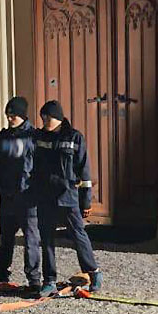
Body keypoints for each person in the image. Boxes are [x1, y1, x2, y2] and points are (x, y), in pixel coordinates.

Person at [31, 100, 104, 298]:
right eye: (42, 116)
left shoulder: (74, 137)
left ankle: (94, 273)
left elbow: (85, 173)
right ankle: (49, 281)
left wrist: (86, 201)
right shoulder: (38, 137)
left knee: (78, 236)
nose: (44, 120)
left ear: (58, 117)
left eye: (48, 116)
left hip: (67, 197)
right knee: (46, 240)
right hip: (46, 197)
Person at [0, 97, 41, 294]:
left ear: (23, 114)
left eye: (13, 115)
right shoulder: (3, 136)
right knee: (6, 239)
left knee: (31, 240)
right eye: (8, 115)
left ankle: (34, 280)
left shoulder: (34, 137)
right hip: (8, 196)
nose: (10, 119)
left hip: (27, 197)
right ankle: (0, 275)